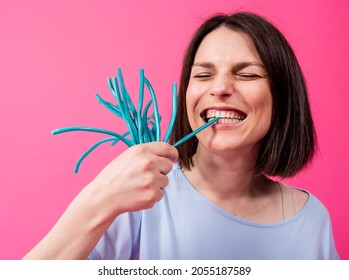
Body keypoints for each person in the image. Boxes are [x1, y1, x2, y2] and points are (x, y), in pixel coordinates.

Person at [23, 11, 338, 260]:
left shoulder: (311, 222)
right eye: (202, 75)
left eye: (247, 74)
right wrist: (99, 201)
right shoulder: (138, 196)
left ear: (283, 96)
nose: (220, 88)